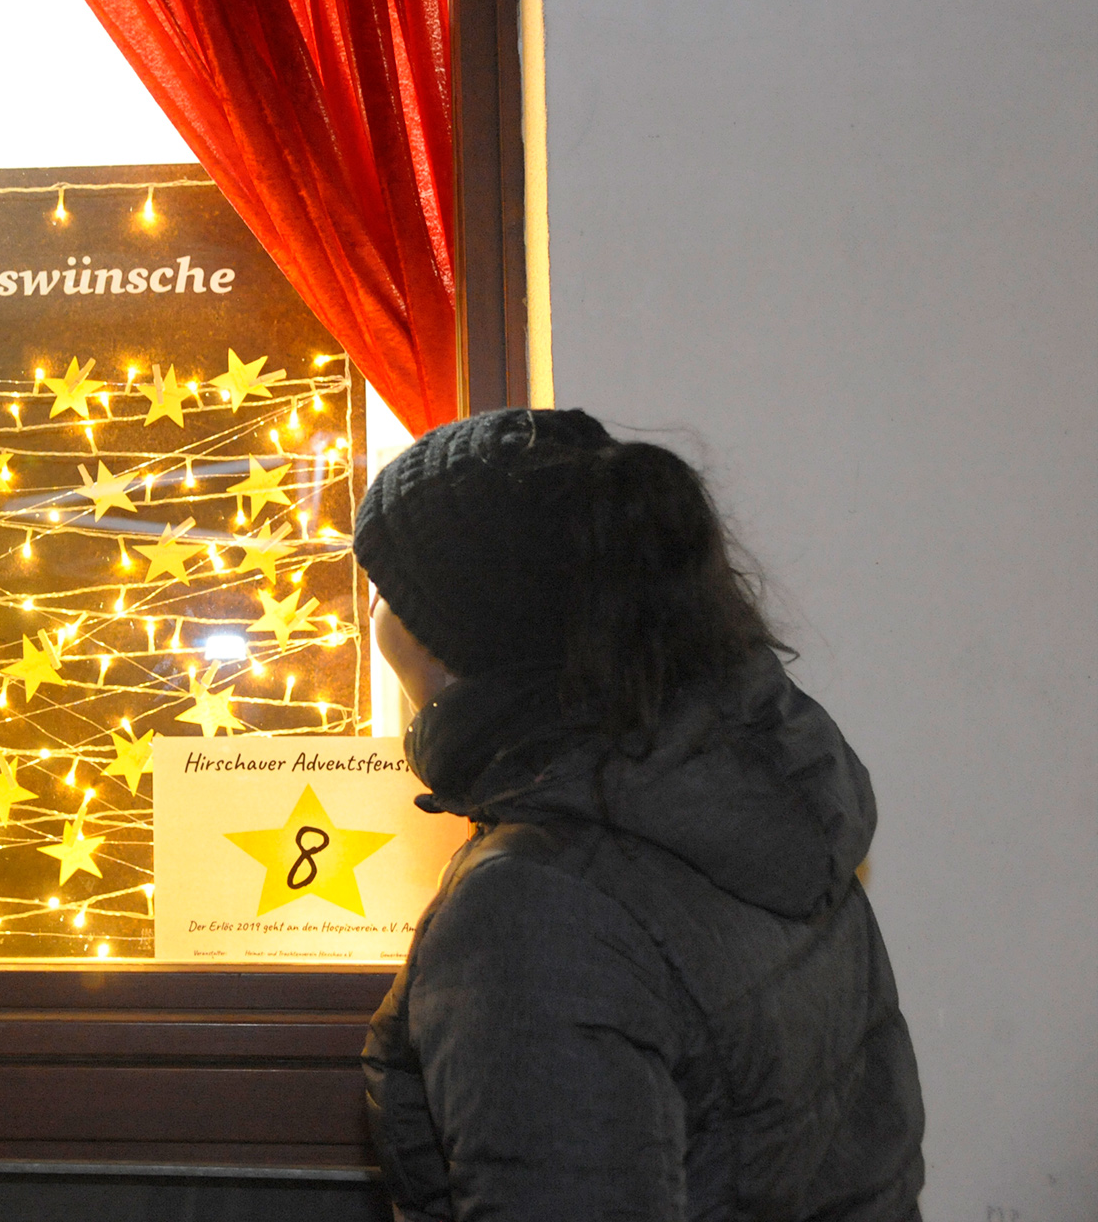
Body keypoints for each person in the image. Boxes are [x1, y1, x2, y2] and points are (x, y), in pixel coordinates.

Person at [351, 407, 924, 1221]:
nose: (372, 617)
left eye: (385, 591)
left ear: (448, 638)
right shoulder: (762, 793)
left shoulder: (534, 910)